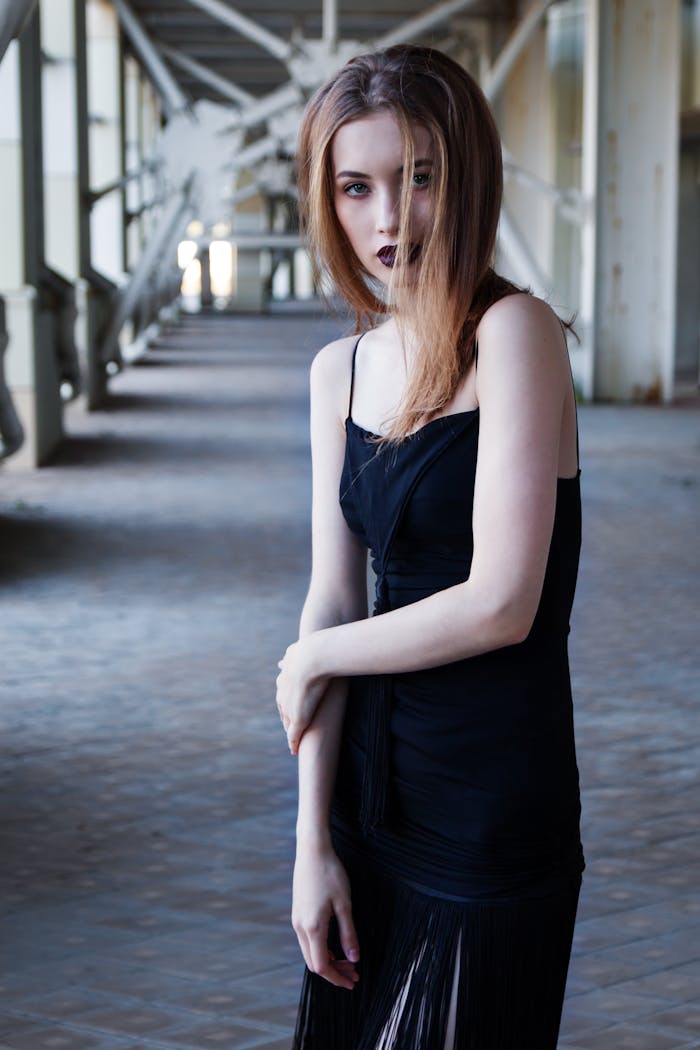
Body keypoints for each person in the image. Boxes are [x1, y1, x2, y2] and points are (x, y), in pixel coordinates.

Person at [275, 44, 584, 1050]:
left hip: (492, 798)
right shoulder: (338, 370)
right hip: (368, 793)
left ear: (468, 176)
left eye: (419, 177)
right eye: (356, 187)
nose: (390, 220)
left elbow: (503, 602)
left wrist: (316, 657)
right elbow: (332, 596)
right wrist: (309, 844)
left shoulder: (517, 334)